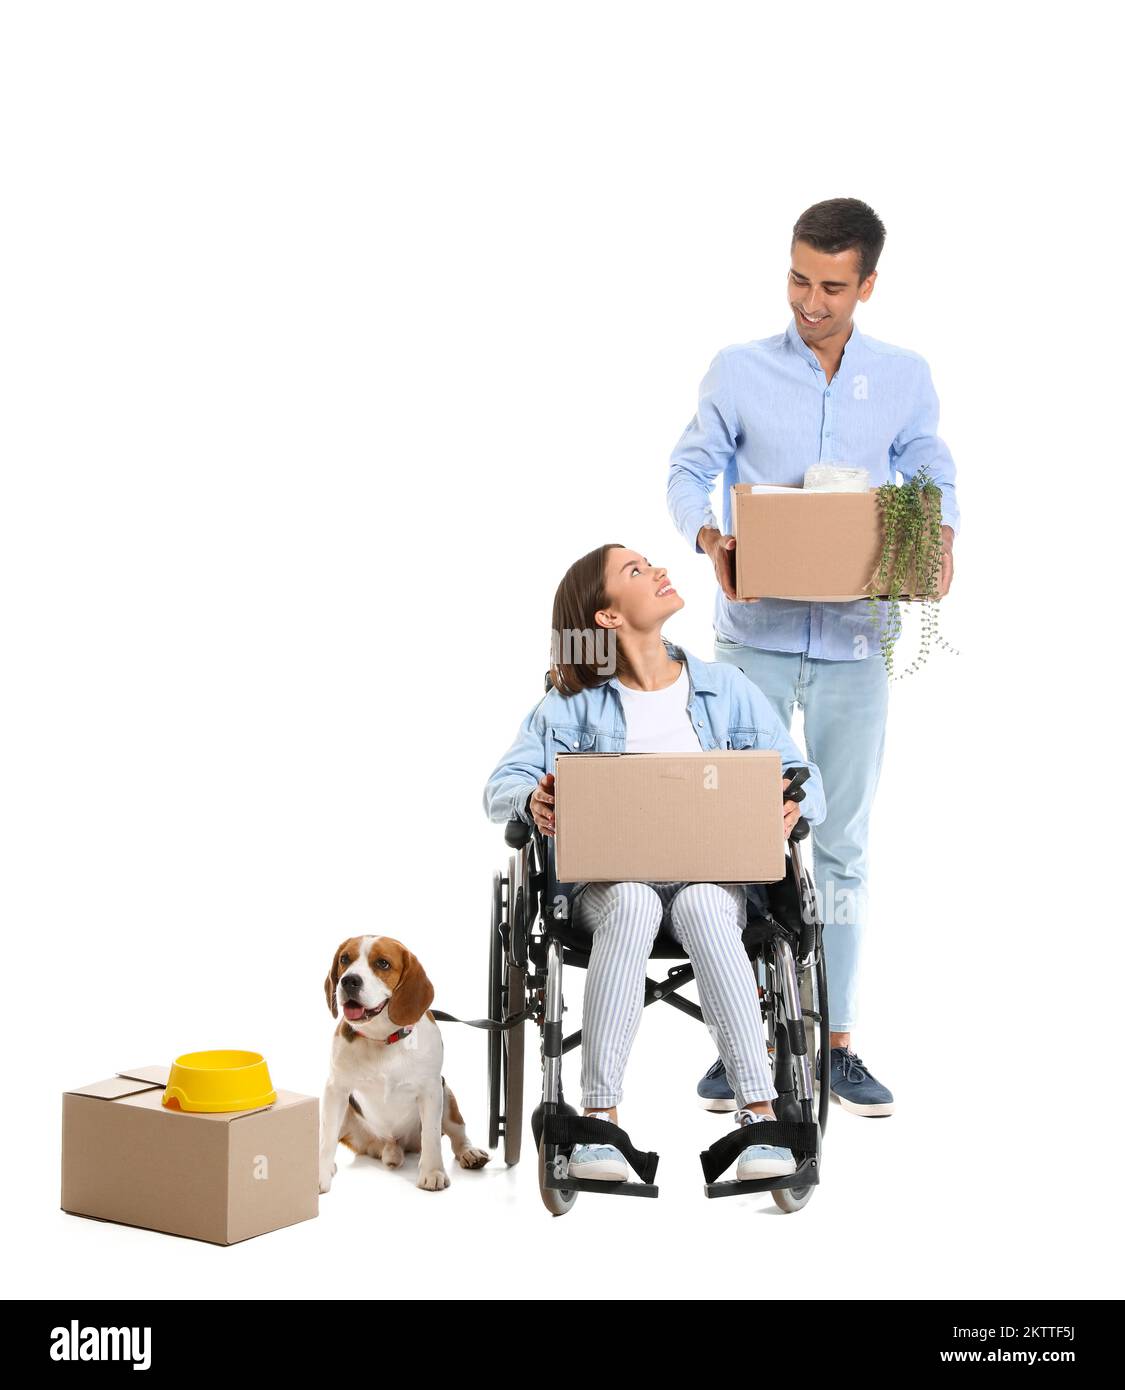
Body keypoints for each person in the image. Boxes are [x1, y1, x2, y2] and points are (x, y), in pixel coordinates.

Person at [667, 197, 960, 1117]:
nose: (809, 301)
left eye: (831, 286)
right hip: (751, 643)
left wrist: (940, 535)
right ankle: (745, 1040)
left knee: (841, 846)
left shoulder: (902, 377)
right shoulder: (739, 369)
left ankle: (833, 1042)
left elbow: (930, 466)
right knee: (736, 842)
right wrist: (710, 536)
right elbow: (688, 466)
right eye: (798, 279)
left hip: (851, 645)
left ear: (866, 285)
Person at [482, 542, 826, 1183]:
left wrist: (789, 803)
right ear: (608, 616)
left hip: (713, 881)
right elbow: (500, 785)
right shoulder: (571, 702)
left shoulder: (725, 688)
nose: (659, 570)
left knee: (703, 901)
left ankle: (760, 1115)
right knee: (634, 897)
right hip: (607, 888)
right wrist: (532, 799)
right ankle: (599, 1119)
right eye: (636, 571)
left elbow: (805, 778)